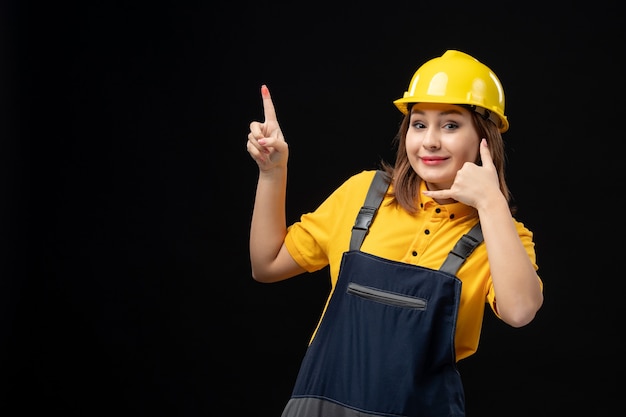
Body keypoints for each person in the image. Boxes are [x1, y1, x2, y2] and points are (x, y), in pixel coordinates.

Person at [246, 50, 544, 417]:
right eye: (419, 125)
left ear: (486, 137)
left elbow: (520, 311)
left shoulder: (501, 236)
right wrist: (272, 173)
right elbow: (267, 264)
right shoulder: (363, 195)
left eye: (450, 125)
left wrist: (491, 204)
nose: (430, 141)